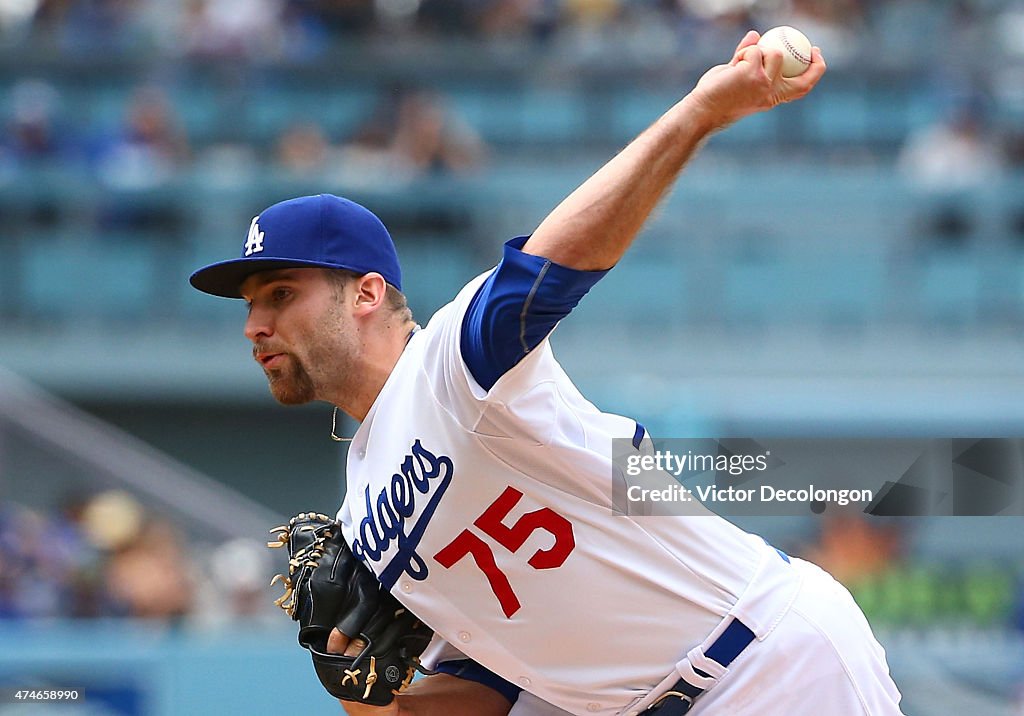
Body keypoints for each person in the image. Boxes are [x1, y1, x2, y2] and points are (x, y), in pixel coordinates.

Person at [191, 31, 903, 716]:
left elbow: (556, 262)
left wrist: (700, 114)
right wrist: (352, 685)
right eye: (251, 306)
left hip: (765, 661)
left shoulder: (450, 364)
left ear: (368, 293)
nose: (255, 325)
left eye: (281, 295)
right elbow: (478, 697)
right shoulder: (361, 515)